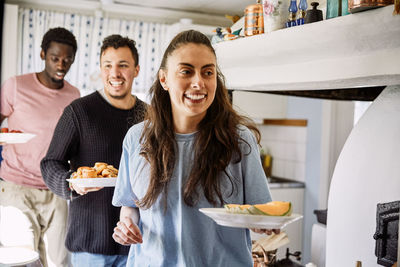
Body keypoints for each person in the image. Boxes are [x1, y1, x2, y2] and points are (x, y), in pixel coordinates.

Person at [112, 30, 274, 267]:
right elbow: (130, 206)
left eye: (207, 72)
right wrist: (126, 225)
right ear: (164, 79)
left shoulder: (239, 139)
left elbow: (261, 212)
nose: (198, 82)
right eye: (186, 71)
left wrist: (263, 221)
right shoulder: (137, 138)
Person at [40, 34, 147, 267]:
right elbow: (50, 163)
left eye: (123, 65)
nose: (115, 73)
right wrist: (71, 182)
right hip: (89, 246)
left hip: (138, 243)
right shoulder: (79, 112)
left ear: (136, 70)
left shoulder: (150, 116)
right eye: (108, 65)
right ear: (100, 69)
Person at [0, 27, 80, 267]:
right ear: (43, 54)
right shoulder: (16, 85)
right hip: (17, 187)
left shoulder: (74, 95)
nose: (61, 64)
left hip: (56, 189)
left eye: (67, 60)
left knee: (59, 261)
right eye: (55, 58)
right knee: (25, 260)